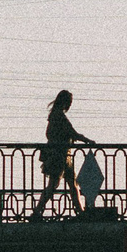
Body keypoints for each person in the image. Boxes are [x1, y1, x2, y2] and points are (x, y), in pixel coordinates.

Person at [30, 89, 91, 221]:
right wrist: (86, 140)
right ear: (65, 102)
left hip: (62, 155)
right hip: (60, 156)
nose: (70, 105)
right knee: (56, 184)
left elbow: (52, 134)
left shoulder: (54, 115)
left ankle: (80, 211)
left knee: (70, 184)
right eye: (69, 102)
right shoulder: (59, 116)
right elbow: (72, 132)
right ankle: (37, 211)